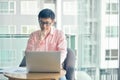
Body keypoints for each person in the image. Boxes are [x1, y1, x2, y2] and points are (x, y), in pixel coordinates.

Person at [25, 8, 67, 80]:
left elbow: (63, 52)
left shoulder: (60, 34)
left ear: (53, 22)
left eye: (47, 23)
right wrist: (39, 41)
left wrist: (54, 65)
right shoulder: (33, 35)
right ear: (38, 20)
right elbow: (28, 54)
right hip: (36, 69)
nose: (44, 26)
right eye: (41, 22)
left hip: (55, 70)